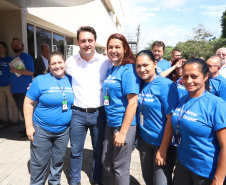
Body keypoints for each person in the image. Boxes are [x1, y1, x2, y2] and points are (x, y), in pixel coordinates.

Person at [162, 58, 226, 185]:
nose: (189, 81)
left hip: (205, 172)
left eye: (194, 76)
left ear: (206, 76)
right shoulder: (184, 98)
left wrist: (218, 180)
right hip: (182, 164)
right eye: (185, 76)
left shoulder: (217, 104)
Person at [66, 26, 111, 185]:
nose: (87, 44)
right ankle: (74, 180)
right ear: (78, 42)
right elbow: (56, 76)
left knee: (99, 151)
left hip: (99, 114)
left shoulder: (106, 62)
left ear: (95, 41)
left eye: (90, 40)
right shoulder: (70, 62)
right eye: (83, 40)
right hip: (77, 114)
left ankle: (97, 179)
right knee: (76, 151)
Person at [24, 51, 74, 185]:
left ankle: (54, 182)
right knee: (39, 162)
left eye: (60, 62)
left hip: (63, 131)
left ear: (65, 63)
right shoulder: (41, 80)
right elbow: (28, 103)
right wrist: (29, 126)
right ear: (49, 65)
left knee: (58, 161)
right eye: (53, 63)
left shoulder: (72, 80)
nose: (57, 66)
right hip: (41, 130)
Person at [135, 50, 179, 185]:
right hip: (144, 142)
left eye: (145, 65)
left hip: (163, 144)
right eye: (138, 66)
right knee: (148, 179)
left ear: (154, 64)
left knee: (161, 182)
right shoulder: (139, 83)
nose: (142, 69)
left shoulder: (166, 85)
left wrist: (163, 149)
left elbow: (171, 120)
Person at [102, 33, 140, 185]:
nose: (113, 50)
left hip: (124, 124)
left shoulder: (128, 70)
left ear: (125, 49)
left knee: (120, 166)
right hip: (110, 122)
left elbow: (133, 103)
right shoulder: (112, 69)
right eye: (110, 47)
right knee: (106, 161)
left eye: (117, 47)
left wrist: (123, 133)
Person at [10, 37, 34, 129]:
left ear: (22, 46)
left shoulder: (27, 57)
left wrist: (16, 70)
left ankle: (32, 130)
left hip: (23, 90)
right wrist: (11, 89)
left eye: (18, 43)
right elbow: (12, 76)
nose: (16, 45)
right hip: (15, 90)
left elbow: (31, 72)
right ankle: (28, 129)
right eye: (14, 43)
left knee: (26, 112)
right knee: (22, 111)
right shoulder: (14, 59)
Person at [0, 41, 19, 127]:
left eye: (2, 47)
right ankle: (5, 120)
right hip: (0, 86)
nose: (0, 49)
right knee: (2, 104)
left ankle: (15, 121)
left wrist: (12, 84)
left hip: (9, 86)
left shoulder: (10, 59)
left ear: (6, 49)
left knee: (13, 104)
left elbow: (18, 73)